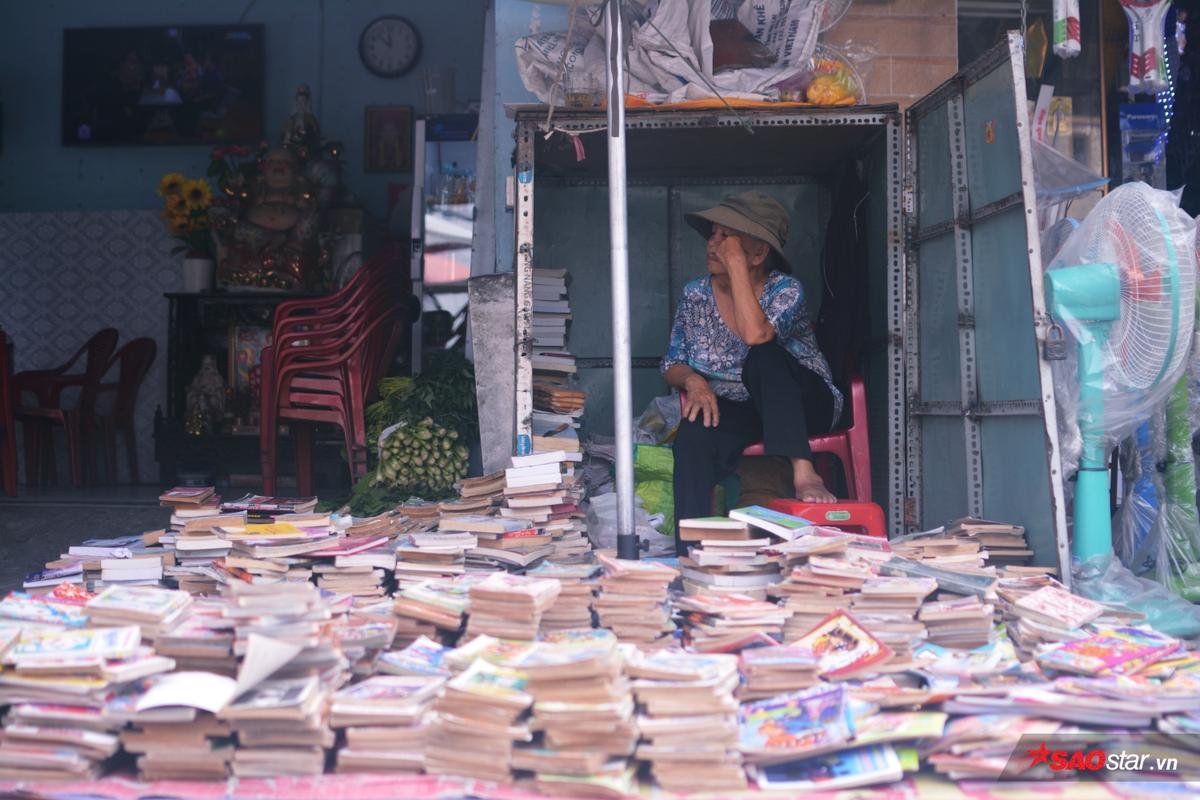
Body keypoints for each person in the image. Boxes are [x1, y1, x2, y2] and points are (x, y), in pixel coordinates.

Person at [661, 191, 843, 554]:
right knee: (693, 436)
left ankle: (803, 471)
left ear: (758, 253)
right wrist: (694, 381)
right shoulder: (695, 295)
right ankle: (690, 553)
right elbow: (672, 362)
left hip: (803, 402)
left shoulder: (785, 291)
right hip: (740, 406)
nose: (713, 245)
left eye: (726, 238)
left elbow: (755, 335)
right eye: (712, 235)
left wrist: (738, 270)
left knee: (763, 358)